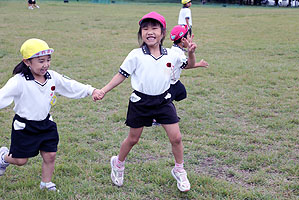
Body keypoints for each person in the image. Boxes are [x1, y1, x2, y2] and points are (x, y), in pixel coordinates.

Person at [96, 12, 195, 192]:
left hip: (164, 101)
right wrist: (103, 90)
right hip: (140, 102)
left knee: (177, 138)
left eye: (154, 28)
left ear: (163, 33)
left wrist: (191, 53)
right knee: (133, 139)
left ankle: (179, 169)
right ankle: (118, 163)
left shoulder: (171, 54)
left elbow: (188, 65)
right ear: (141, 33)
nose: (150, 32)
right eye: (145, 28)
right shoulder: (135, 55)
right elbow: (121, 75)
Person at [0, 38, 102, 191]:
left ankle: (46, 183)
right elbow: (2, 96)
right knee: (21, 160)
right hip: (24, 127)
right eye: (41, 61)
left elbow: (70, 85)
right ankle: (3, 158)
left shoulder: (52, 76)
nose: (46, 64)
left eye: (48, 60)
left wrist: (90, 90)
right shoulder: (18, 81)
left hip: (46, 124)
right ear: (27, 62)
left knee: (50, 155)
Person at [169, 25, 209, 102]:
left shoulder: (175, 49)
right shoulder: (178, 54)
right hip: (169, 85)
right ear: (183, 40)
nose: (191, 39)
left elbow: (184, 65)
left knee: (182, 92)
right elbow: (190, 64)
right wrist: (191, 53)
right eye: (189, 36)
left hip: (172, 82)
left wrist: (199, 64)